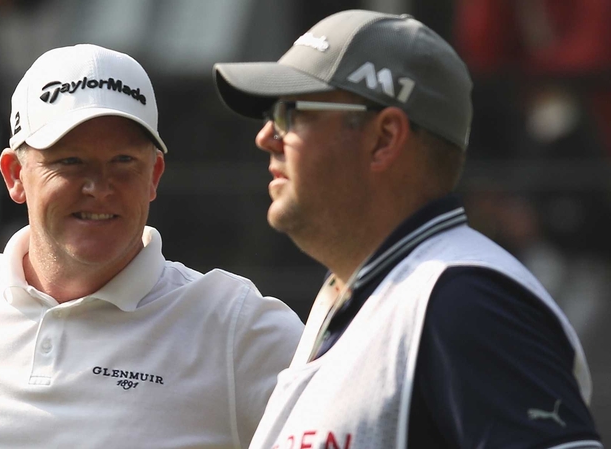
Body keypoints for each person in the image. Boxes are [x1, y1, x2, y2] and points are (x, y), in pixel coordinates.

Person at [0, 44, 304, 448]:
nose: (99, 187)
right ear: (15, 175)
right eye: (70, 161)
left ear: (154, 175)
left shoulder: (238, 329)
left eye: (124, 161)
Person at [213, 10, 602, 448]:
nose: (266, 136)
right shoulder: (366, 294)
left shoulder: (465, 300)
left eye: (290, 112)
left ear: (384, 138)